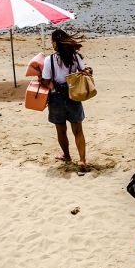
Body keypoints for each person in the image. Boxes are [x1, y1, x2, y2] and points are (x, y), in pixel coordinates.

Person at [41, 29, 93, 174]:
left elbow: (46, 80)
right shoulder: (75, 57)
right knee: (78, 131)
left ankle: (67, 155)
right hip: (73, 96)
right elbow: (85, 70)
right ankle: (82, 160)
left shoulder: (49, 60)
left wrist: (41, 77)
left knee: (61, 130)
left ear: (54, 43)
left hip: (56, 98)